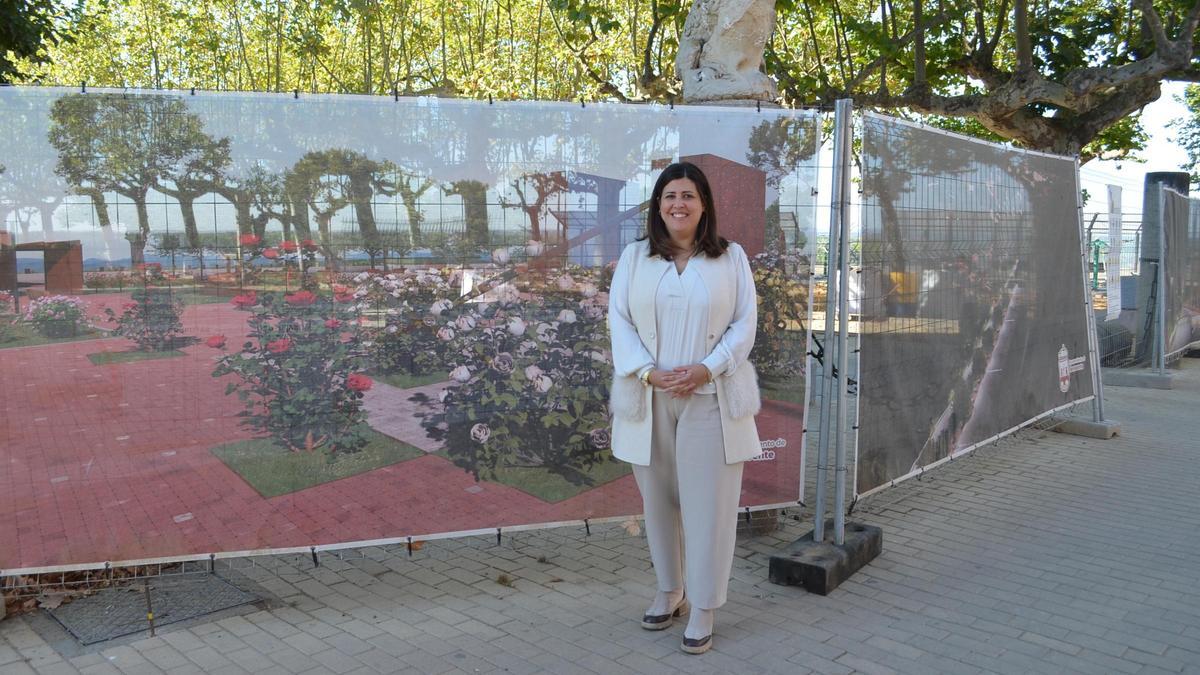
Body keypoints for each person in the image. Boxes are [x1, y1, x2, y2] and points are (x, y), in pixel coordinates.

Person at [607, 161, 761, 654]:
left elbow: (744, 324)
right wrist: (648, 372)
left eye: (689, 195)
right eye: (670, 195)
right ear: (658, 205)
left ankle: (705, 605)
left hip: (708, 397)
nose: (679, 203)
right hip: (649, 397)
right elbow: (620, 322)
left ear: (704, 205)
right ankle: (669, 590)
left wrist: (707, 368)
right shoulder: (635, 258)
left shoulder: (730, 257)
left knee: (708, 508)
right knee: (659, 504)